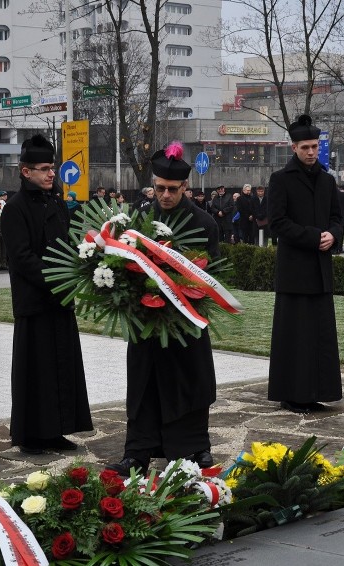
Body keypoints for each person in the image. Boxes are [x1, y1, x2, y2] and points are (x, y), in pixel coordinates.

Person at [106, 141, 220, 477]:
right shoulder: (138, 220)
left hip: (184, 320)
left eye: (172, 189)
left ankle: (193, 446)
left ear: (185, 186)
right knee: (143, 385)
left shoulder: (204, 223)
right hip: (144, 320)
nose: (165, 195)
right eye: (159, 188)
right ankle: (137, 451)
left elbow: (209, 276)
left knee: (189, 383)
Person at [0, 133, 93, 454]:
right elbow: (21, 257)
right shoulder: (14, 208)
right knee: (36, 370)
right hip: (35, 301)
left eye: (51, 167)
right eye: (43, 168)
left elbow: (67, 245)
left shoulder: (56, 201)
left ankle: (58, 430)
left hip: (61, 299)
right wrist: (57, 277)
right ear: (26, 171)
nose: (51, 173)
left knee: (62, 367)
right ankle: (33, 435)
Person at [267, 114, 343, 414]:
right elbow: (277, 223)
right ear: (294, 148)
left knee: (320, 336)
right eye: (305, 147)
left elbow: (339, 219)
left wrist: (333, 235)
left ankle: (317, 392)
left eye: (314, 146)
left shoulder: (327, 179)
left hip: (320, 271)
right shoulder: (280, 180)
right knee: (295, 336)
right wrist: (314, 237)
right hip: (295, 271)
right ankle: (292, 394)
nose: (311, 152)